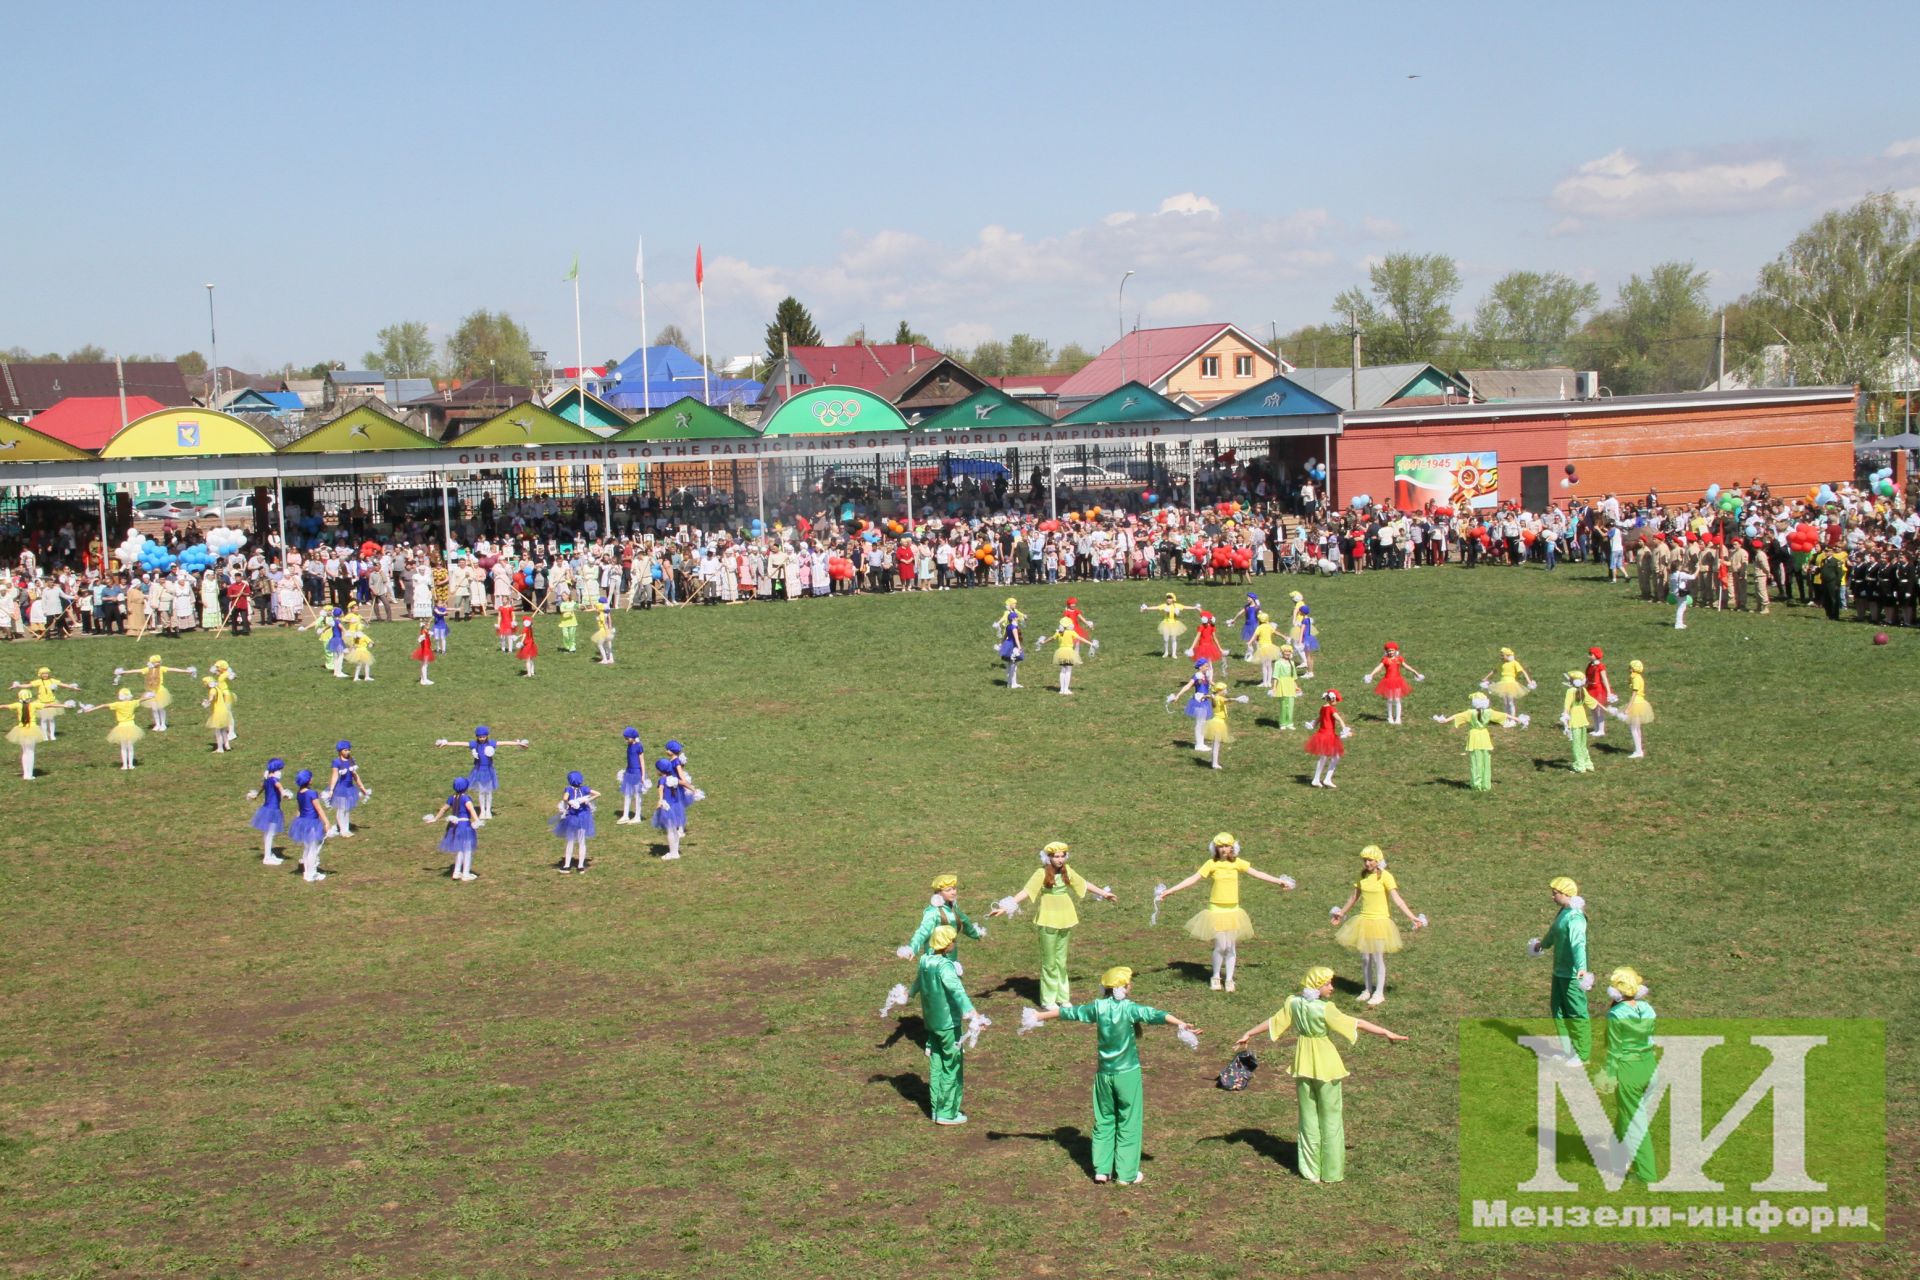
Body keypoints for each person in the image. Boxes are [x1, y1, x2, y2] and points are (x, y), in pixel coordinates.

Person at [1022, 965, 1200, 1184]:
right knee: (1129, 1121)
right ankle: (1126, 1174)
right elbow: (1155, 1014)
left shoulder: (1097, 1007)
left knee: (1104, 1119)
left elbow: (1068, 1012)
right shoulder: (1129, 1009)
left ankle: (1101, 1169)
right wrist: (1181, 1023)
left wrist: (1039, 1015)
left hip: (1103, 1075)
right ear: (1124, 987)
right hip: (1127, 1075)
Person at [1232, 965, 1408, 1184]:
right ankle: (1332, 1171)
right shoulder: (1325, 1009)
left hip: (1303, 1063)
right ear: (1317, 985)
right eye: (1328, 983)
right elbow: (1357, 1023)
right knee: (1331, 1117)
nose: (1332, 988)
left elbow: (1274, 1021)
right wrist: (1385, 1032)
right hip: (1327, 1064)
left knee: (1308, 1116)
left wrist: (1249, 1032)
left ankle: (1310, 1171)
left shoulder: (1294, 1003)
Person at [1154, 833, 1295, 991]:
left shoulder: (1237, 863)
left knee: (1231, 947)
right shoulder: (1211, 864)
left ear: (1233, 847)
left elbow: (1258, 873)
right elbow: (1193, 879)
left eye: (1227, 846)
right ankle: (1215, 976)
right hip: (1217, 911)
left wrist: (1279, 881)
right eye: (1220, 846)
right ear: (1215, 848)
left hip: (1233, 910)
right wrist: (1170, 891)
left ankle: (1229, 979)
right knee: (1221, 945)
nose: (1224, 849)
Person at [989, 841, 1118, 1009]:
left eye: (1062, 856)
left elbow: (1083, 883)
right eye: (1056, 856)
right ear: (1048, 858)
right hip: (1048, 918)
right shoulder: (1040, 873)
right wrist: (1005, 907)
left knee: (1061, 961)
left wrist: (1104, 893)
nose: (1060, 859)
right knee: (1049, 962)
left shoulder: (1067, 871)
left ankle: (1063, 997)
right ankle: (1048, 1000)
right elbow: (1026, 891)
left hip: (1066, 917)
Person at [1328, 846, 1427, 1004]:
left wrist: (1412, 917)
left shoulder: (1386, 877)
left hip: (1380, 921)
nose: (1367, 863)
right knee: (1366, 958)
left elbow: (1397, 900)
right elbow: (1354, 897)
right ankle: (1367, 989)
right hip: (1364, 921)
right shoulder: (1362, 876)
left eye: (1370, 860)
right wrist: (1341, 913)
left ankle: (1379, 993)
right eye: (1365, 860)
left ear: (1377, 861)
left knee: (1377, 958)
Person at [915, 925, 987, 1126]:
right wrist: (974, 1016)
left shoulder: (925, 961)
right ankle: (947, 1112)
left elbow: (918, 983)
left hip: (931, 1023)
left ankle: (936, 1109)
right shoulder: (945, 967)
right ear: (946, 944)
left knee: (937, 1063)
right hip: (948, 1024)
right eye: (952, 941)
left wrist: (909, 995)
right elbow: (957, 992)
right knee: (952, 1065)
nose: (954, 944)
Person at [1595, 966, 1658, 1184]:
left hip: (1629, 1072)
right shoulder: (1648, 1009)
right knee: (1629, 1115)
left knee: (1634, 1124)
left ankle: (1646, 1173)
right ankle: (1617, 1157)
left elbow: (1614, 1050)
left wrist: (1608, 1076)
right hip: (1650, 1068)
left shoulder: (1616, 1015)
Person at [1529, 876, 1594, 1062]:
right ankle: (1569, 1050)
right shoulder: (1563, 912)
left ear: (1566, 894)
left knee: (1576, 1013)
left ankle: (1582, 1054)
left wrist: (1582, 969)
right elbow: (1554, 932)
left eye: (1555, 893)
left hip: (1572, 976)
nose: (1552, 897)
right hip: (1559, 972)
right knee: (1558, 1010)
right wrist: (1542, 944)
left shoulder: (1575, 918)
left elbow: (1578, 944)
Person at [434, 726, 531, 826]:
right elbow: (461, 743)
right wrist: (447, 743)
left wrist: (518, 743)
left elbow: (503, 743)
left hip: (489, 770)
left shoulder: (491, 743)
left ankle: (488, 810)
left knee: (488, 791)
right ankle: (482, 811)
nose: (482, 739)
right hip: (478, 770)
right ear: (477, 737)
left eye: (484, 737)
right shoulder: (474, 744)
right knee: (481, 791)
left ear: (487, 736)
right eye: (480, 737)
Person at [1433, 692, 1527, 790]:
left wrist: (1445, 720)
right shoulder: (1489, 712)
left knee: (1475, 762)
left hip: (1474, 737)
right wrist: (1519, 719)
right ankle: (1486, 785)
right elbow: (1504, 715)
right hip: (1484, 737)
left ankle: (1476, 785)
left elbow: (1458, 716)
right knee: (1486, 761)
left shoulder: (1470, 713)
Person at [898, 874, 988, 970]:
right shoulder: (933, 912)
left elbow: (964, 922)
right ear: (939, 893)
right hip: (935, 958)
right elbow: (922, 931)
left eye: (954, 888)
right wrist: (912, 948)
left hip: (951, 954)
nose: (953, 892)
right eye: (948, 890)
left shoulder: (953, 908)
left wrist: (976, 933)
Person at [76, 687, 152, 770]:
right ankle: (131, 765)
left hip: (121, 727)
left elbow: (103, 706)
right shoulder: (133, 703)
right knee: (130, 747)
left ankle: (125, 765)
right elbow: (142, 699)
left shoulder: (117, 704)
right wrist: (151, 696)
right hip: (131, 726)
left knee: (123, 747)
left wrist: (91, 710)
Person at [113, 655, 194, 732]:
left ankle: (163, 724)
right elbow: (137, 670)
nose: (158, 663)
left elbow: (172, 669)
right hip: (151, 691)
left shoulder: (162, 669)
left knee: (161, 707)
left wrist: (185, 671)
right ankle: (157, 724)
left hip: (160, 691)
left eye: (159, 662)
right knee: (154, 709)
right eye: (156, 662)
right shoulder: (148, 669)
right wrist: (124, 672)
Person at [423, 776, 480, 881]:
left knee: (460, 849)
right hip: (465, 826)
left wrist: (435, 819)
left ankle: (456, 872)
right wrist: (477, 820)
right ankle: (466, 873)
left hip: (455, 826)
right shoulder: (466, 798)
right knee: (467, 850)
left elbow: (444, 809)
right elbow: (471, 809)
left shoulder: (452, 798)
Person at [1362, 641, 1425, 726]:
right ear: (1386, 651)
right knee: (1390, 699)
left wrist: (1415, 672)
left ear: (1395, 650)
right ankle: (1390, 717)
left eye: (1392, 650)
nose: (1390, 652)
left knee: (1397, 699)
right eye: (1388, 651)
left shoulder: (1399, 659)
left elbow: (1406, 666)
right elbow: (1379, 667)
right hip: (1388, 681)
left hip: (1398, 681)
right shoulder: (1385, 660)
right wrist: (1371, 674)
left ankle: (1398, 718)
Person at [551, 770, 601, 873]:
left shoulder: (568, 789)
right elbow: (598, 794)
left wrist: (571, 802)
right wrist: (587, 800)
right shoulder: (585, 789)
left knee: (570, 841)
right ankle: (580, 866)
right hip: (584, 818)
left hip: (572, 818)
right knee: (582, 842)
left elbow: (565, 798)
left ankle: (567, 866)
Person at [288, 769, 333, 882]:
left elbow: (299, 809)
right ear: (308, 780)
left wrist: (297, 822)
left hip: (302, 822)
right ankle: (311, 874)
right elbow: (318, 809)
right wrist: (326, 822)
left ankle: (307, 872)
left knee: (307, 848)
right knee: (313, 849)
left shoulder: (299, 793)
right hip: (312, 823)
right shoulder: (312, 793)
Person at [1304, 689, 1352, 789]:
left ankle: (1324, 779)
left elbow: (1319, 718)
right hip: (1328, 735)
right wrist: (1345, 730)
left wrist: (1313, 724)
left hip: (1322, 734)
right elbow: (1339, 719)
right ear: (1332, 699)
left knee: (1331, 757)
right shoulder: (1331, 709)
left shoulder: (1323, 708)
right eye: (1335, 700)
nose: (1336, 702)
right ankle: (1318, 779)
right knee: (1327, 757)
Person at [1166, 659, 1216, 752]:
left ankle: (1201, 743)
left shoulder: (1205, 675)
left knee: (1202, 723)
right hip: (1199, 701)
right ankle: (1199, 745)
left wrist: (1220, 687)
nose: (1207, 667)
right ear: (1200, 667)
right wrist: (1178, 696)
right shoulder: (1197, 676)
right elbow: (1188, 686)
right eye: (1206, 666)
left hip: (1204, 701)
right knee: (1200, 723)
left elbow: (1210, 683)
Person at [247, 757, 287, 864]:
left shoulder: (267, 780)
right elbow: (279, 787)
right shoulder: (274, 780)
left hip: (267, 808)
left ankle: (268, 854)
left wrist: (256, 795)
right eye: (280, 769)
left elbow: (262, 788)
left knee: (268, 833)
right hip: (273, 809)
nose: (280, 772)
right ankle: (267, 857)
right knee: (270, 834)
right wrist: (284, 793)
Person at [1479, 647, 1536, 722]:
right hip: (1503, 683)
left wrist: (1529, 681)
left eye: (1503, 655)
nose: (1501, 657)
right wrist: (1486, 678)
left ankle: (1512, 720)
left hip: (1511, 684)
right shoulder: (1501, 664)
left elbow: (1523, 671)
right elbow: (1494, 671)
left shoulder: (1514, 663)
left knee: (1510, 702)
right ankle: (1507, 718)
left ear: (1507, 655)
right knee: (1505, 702)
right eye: (1501, 655)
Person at [1558, 672, 1600, 774]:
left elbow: (1567, 706)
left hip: (1574, 719)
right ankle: (1588, 763)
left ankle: (1579, 766)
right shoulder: (1583, 690)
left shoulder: (1570, 691)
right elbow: (1592, 703)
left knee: (1576, 744)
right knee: (1582, 743)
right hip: (1583, 719)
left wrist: (1565, 718)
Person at [326, 740, 370, 836]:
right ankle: (342, 830)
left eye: (349, 750)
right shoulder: (336, 762)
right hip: (341, 789)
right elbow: (334, 776)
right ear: (340, 751)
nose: (348, 752)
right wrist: (331, 790)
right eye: (345, 750)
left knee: (347, 809)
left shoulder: (351, 761)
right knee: (341, 809)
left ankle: (346, 828)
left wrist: (362, 787)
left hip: (350, 788)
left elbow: (355, 775)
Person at [1035, 616, 1085, 695]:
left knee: (1062, 670)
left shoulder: (1058, 632)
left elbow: (1051, 638)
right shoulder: (1071, 632)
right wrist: (1091, 644)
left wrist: (1043, 642)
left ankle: (1061, 689)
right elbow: (1080, 638)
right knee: (1068, 670)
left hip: (1061, 652)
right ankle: (1066, 689)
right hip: (1069, 652)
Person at [1618, 659, 1655, 759]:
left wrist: (1628, 708)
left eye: (1630, 667)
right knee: (1637, 728)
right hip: (1641, 703)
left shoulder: (1635, 678)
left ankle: (1638, 751)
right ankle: (1639, 749)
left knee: (1633, 728)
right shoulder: (1639, 677)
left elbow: (1634, 695)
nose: (1628, 669)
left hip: (1636, 704)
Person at [1140, 592, 1194, 659]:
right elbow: (1156, 607)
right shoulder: (1164, 605)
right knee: (1166, 639)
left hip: (1174, 624)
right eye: (1168, 598)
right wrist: (1147, 608)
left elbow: (1185, 607)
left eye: (1170, 598)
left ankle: (1174, 654)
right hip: (1166, 624)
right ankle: (1166, 652)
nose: (1168, 599)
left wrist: (1194, 607)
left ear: (1173, 599)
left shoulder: (1177, 605)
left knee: (1174, 639)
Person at [615, 727, 651, 824]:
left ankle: (637, 816)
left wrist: (643, 775)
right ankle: (626, 815)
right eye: (625, 738)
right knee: (627, 794)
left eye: (627, 738)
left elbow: (642, 761)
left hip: (636, 772)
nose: (626, 740)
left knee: (637, 794)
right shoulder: (629, 745)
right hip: (629, 771)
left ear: (633, 737)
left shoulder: (639, 746)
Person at [8, 688, 45, 780]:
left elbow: (3, 706)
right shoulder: (34, 705)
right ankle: (29, 774)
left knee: (25, 752)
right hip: (32, 729)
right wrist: (64, 705)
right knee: (30, 752)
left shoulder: (17, 705)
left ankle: (26, 774)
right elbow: (49, 705)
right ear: (29, 697)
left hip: (21, 730)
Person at [1267, 643, 1302, 729]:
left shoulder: (1292, 663)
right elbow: (1276, 676)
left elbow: (1293, 676)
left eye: (1289, 652)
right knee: (1283, 704)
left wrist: (1296, 686)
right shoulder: (1278, 663)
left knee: (1290, 704)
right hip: (1282, 684)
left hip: (1290, 684)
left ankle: (1289, 722)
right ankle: (1282, 723)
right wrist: (1274, 687)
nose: (1287, 653)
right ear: (1282, 652)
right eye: (1286, 652)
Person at [994, 598, 1026, 689]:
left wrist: (1001, 644)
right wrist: (1019, 647)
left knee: (1009, 665)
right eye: (1016, 617)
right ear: (1014, 618)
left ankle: (1009, 683)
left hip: (1007, 645)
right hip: (1013, 646)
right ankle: (1013, 683)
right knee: (1013, 665)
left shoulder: (1008, 626)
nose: (1017, 618)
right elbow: (1016, 638)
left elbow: (1004, 637)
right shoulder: (1014, 627)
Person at [1583, 647, 1616, 737]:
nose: (1589, 656)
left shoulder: (1600, 666)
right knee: (1593, 709)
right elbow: (1587, 677)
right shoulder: (1590, 665)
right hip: (1590, 689)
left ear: (1596, 655)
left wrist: (1609, 692)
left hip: (1597, 690)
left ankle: (1601, 730)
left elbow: (1604, 679)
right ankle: (1596, 728)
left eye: (1591, 654)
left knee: (1599, 710)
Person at [201, 674, 236, 753]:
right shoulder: (218, 688)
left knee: (218, 731)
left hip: (218, 712)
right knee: (223, 730)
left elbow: (212, 697)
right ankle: (227, 745)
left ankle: (220, 748)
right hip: (224, 711)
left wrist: (207, 702)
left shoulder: (212, 690)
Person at [412, 619, 436, 686]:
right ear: (424, 626)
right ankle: (424, 680)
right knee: (425, 665)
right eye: (427, 625)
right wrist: (422, 637)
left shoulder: (426, 631)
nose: (429, 625)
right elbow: (419, 640)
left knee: (424, 664)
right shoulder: (423, 632)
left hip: (426, 649)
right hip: (425, 650)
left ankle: (423, 679)